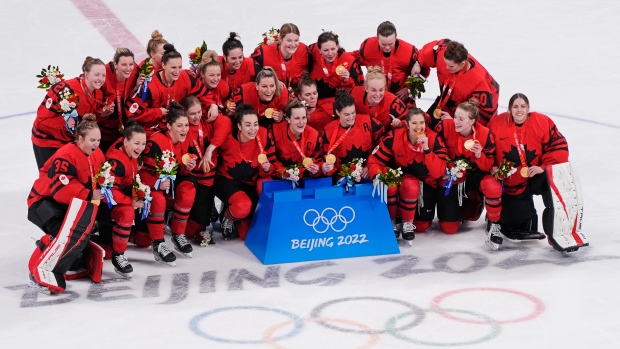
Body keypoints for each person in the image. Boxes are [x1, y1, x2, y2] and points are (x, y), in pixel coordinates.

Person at [27, 114, 105, 293]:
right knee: (64, 235)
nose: (96, 144)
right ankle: (45, 249)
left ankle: (68, 247)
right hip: (42, 202)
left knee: (76, 253)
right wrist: (89, 193)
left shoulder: (96, 154)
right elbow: (61, 191)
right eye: (92, 140)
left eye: (98, 140)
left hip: (70, 204)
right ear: (79, 138)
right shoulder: (65, 155)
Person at [487, 93, 569, 249]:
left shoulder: (541, 122)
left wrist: (542, 167)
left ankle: (557, 232)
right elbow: (487, 148)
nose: (519, 110)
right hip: (512, 182)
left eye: (523, 106)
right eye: (515, 106)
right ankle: (496, 216)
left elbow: (558, 147)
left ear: (528, 108)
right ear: (509, 109)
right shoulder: (497, 124)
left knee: (552, 180)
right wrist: (493, 167)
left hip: (535, 175)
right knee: (520, 226)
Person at [367, 108, 447, 243]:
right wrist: (376, 175)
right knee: (392, 185)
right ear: (407, 124)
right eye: (414, 123)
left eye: (422, 122)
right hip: (399, 174)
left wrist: (427, 149)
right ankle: (392, 220)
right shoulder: (393, 137)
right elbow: (373, 161)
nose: (419, 127)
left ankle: (407, 222)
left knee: (421, 225)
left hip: (425, 183)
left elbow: (438, 173)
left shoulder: (434, 139)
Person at [137, 102, 197, 265]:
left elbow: (181, 172)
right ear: (169, 126)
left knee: (188, 189)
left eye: (186, 125)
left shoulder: (185, 140)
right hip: (152, 186)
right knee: (158, 199)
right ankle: (158, 243)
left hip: (170, 184)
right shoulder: (155, 142)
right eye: (180, 126)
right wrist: (156, 183)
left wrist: (188, 167)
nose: (185, 129)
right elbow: (141, 173)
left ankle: (178, 234)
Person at [433, 98, 502, 236]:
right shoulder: (445, 126)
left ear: (472, 121)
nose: (456, 122)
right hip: (450, 178)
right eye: (455, 117)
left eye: (461, 119)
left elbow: (488, 166)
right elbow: (435, 152)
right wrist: (444, 169)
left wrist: (479, 155)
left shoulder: (485, 134)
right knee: (449, 228)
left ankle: (495, 222)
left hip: (473, 176)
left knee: (492, 184)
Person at [32, 56, 111, 169]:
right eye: (97, 75)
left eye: (103, 75)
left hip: (70, 141)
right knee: (51, 178)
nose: (101, 79)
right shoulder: (65, 90)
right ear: (86, 75)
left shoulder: (97, 94)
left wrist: (102, 114)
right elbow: (42, 117)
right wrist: (65, 125)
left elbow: (87, 119)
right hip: (47, 140)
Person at [214, 104, 276, 240]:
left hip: (249, 184)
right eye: (248, 125)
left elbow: (273, 166)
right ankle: (227, 217)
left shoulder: (265, 136)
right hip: (226, 180)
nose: (253, 129)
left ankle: (233, 213)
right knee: (242, 206)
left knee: (245, 235)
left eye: (255, 124)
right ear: (240, 126)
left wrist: (267, 169)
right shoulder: (227, 139)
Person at [180, 95, 232, 244]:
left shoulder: (207, 121)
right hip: (194, 179)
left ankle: (219, 214)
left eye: (198, 112)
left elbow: (226, 122)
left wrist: (211, 148)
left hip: (211, 179)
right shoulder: (183, 129)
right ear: (184, 113)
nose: (197, 117)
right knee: (191, 231)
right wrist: (187, 165)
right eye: (192, 114)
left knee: (201, 222)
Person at [125, 43, 207, 136]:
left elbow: (203, 91)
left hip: (175, 129)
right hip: (151, 133)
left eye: (180, 67)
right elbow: (132, 113)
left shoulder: (186, 77)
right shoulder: (149, 86)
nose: (177, 71)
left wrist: (212, 105)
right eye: (173, 67)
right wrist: (158, 112)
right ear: (163, 65)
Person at [418, 39, 499, 127]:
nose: (446, 67)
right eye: (445, 63)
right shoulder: (444, 55)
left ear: (462, 64)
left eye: (451, 66)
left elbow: (483, 118)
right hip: (443, 105)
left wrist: (456, 121)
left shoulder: (479, 83)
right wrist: (418, 63)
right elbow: (436, 48)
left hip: (461, 117)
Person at [104, 118, 147, 277]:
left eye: (143, 144)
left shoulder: (128, 152)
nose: (141, 148)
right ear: (126, 142)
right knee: (128, 212)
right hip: (104, 203)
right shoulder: (116, 162)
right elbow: (108, 193)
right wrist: (131, 201)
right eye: (137, 143)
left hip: (120, 196)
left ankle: (140, 237)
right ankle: (118, 255)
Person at [353, 21, 426, 104]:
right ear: (377, 39)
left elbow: (424, 69)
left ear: (396, 38)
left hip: (401, 99)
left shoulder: (409, 52)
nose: (387, 48)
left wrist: (409, 89)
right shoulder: (367, 47)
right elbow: (355, 58)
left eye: (391, 44)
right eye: (383, 44)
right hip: (376, 98)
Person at [320, 90, 383, 181]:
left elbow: (383, 145)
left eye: (353, 112)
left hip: (367, 176)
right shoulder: (328, 131)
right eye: (346, 114)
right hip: (341, 180)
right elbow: (325, 159)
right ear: (338, 113)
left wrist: (371, 166)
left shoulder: (368, 122)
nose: (351, 117)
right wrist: (326, 169)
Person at [100, 48, 141, 153]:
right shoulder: (103, 74)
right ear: (115, 64)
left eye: (131, 64)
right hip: (104, 130)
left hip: (124, 125)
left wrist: (136, 87)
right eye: (124, 65)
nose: (128, 68)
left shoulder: (136, 71)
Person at [271, 99, 324, 181]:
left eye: (304, 118)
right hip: (280, 179)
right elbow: (272, 160)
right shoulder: (275, 132)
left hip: (306, 179)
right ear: (288, 119)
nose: (301, 122)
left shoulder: (315, 136)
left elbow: (319, 162)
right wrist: (283, 173)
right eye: (297, 118)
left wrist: (316, 170)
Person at [308, 31, 364, 99]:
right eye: (326, 50)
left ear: (338, 46)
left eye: (333, 49)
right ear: (319, 50)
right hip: (316, 103)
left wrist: (347, 80)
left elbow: (359, 90)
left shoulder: (349, 61)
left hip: (341, 105)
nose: (330, 53)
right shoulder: (313, 55)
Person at [251, 23, 309, 88]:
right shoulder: (263, 53)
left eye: (296, 40)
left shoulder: (304, 50)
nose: (293, 44)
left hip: (296, 94)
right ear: (281, 39)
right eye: (289, 40)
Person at [351, 66, 408, 132]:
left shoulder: (393, 102)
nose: (378, 94)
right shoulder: (355, 95)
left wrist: (400, 124)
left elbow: (409, 120)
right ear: (366, 88)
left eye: (381, 90)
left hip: (384, 138)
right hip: (361, 135)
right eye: (374, 90)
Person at [197, 50, 233, 122]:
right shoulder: (195, 87)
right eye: (212, 75)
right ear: (202, 74)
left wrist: (229, 108)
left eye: (218, 75)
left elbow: (229, 100)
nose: (216, 79)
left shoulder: (223, 87)